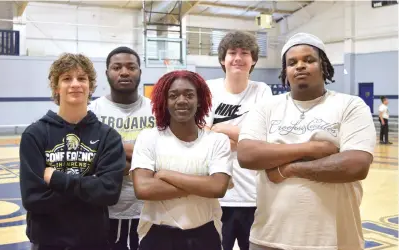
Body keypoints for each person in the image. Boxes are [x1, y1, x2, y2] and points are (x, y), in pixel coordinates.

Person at [237, 33, 376, 250]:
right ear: (285, 71)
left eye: (309, 60)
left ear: (324, 66)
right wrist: (314, 148)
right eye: (292, 63)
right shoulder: (265, 108)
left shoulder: (350, 106)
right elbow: (247, 155)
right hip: (269, 239)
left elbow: (356, 165)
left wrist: (289, 169)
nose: (300, 66)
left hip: (336, 242)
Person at [19, 53, 125, 250]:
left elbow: (109, 193)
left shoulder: (108, 136)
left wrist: (58, 180)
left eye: (82, 78)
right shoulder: (35, 134)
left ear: (91, 86)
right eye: (67, 78)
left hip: (93, 241)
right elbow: (33, 198)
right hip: (47, 242)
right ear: (57, 88)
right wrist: (90, 185)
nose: (75, 84)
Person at [131, 70, 233, 250]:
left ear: (199, 99)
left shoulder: (217, 141)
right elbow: (143, 189)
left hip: (205, 234)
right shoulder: (148, 138)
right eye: (173, 95)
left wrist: (165, 174)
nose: (182, 100)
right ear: (165, 101)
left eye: (189, 95)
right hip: (156, 234)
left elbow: (217, 187)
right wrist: (202, 183)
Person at [205, 30, 273, 250]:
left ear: (253, 60)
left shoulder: (262, 91)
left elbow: (263, 140)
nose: (238, 58)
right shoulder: (209, 89)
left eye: (245, 53)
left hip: (253, 197)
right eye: (232, 52)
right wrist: (244, 138)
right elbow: (203, 137)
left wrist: (220, 129)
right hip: (217, 196)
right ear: (222, 59)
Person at [89, 46, 155, 250]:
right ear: (107, 73)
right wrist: (141, 160)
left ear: (140, 72)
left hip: (150, 209)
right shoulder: (93, 112)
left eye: (131, 67)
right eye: (117, 67)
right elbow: (92, 161)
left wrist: (113, 155)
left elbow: (164, 155)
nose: (124, 72)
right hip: (106, 210)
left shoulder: (156, 109)